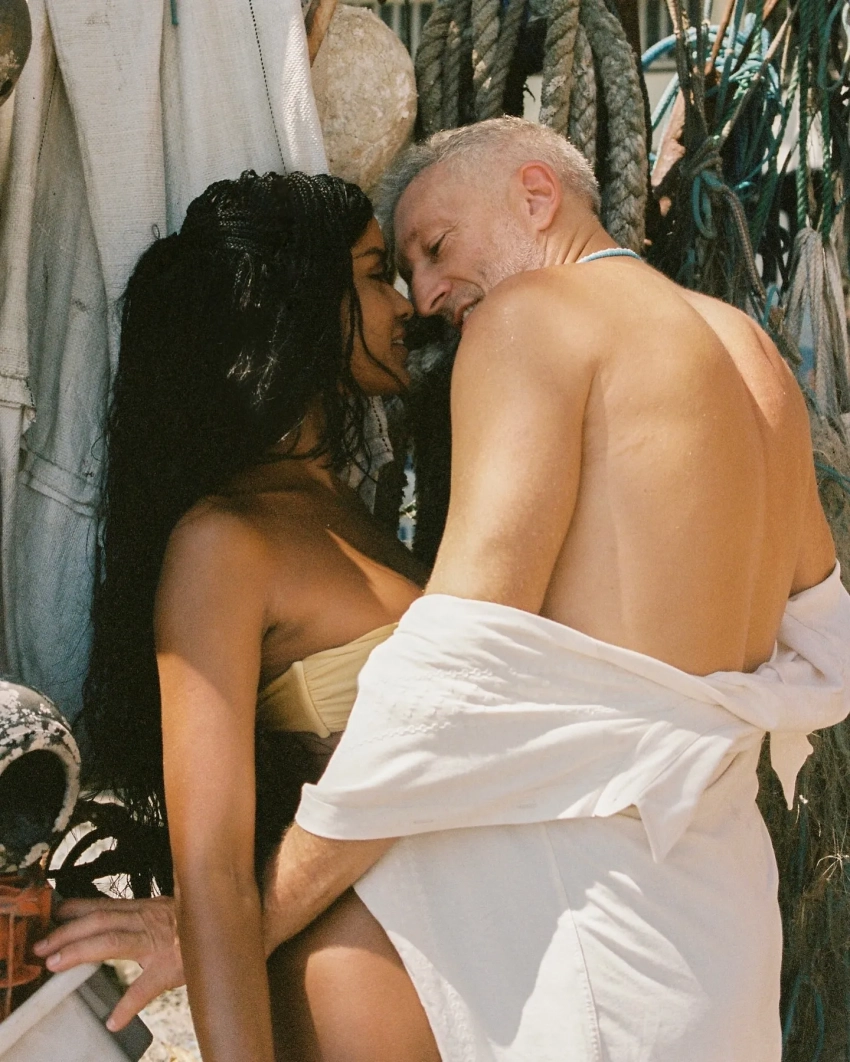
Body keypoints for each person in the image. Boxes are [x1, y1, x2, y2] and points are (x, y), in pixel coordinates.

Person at [40, 118, 850, 1059]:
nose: (424, 297)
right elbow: (821, 642)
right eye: (391, 270)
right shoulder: (748, 351)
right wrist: (668, 720)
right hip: (717, 911)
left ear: (537, 196)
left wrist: (237, 924)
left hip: (572, 923)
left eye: (432, 247)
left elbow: (455, 679)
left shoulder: (534, 317)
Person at [40, 169, 443, 1062]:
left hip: (460, 957)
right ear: (300, 309)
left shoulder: (347, 512)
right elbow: (214, 874)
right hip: (366, 983)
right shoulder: (224, 542)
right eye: (375, 275)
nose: (404, 305)